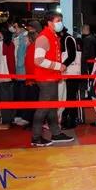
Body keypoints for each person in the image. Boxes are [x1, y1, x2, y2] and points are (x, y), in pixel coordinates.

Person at [31, 12, 74, 147]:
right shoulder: (44, 38)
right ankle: (36, 137)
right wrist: (58, 66)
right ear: (49, 23)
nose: (60, 23)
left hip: (52, 77)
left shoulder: (53, 36)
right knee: (43, 108)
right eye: (58, 20)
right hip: (45, 78)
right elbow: (38, 60)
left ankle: (56, 133)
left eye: (61, 20)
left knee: (51, 108)